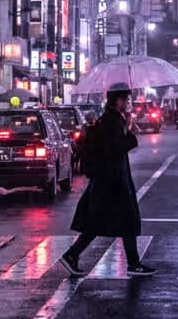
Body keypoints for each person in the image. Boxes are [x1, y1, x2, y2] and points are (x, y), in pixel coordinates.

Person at [58, 82, 157, 277]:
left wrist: (127, 126)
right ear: (117, 100)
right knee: (121, 221)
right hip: (112, 181)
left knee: (102, 222)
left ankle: (73, 255)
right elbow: (114, 149)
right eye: (127, 99)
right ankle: (132, 264)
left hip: (109, 180)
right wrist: (131, 135)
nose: (129, 102)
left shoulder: (111, 119)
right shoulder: (112, 121)